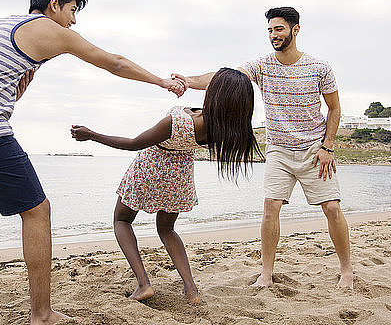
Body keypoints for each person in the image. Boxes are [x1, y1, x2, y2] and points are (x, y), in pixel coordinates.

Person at [0, 0, 185, 325]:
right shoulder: (47, 28)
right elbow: (114, 62)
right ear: (54, 5)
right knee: (37, 211)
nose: (73, 21)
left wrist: (16, 91)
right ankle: (41, 314)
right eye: (72, 10)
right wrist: (162, 81)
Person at [173, 7, 353, 289]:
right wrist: (188, 81)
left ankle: (346, 270)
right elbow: (225, 77)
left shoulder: (320, 68)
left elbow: (334, 108)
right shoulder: (263, 65)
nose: (273, 35)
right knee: (270, 207)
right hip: (279, 150)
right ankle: (266, 274)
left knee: (331, 207)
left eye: (279, 29)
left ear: (295, 30)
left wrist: (327, 146)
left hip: (314, 151)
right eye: (270, 30)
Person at [70, 68, 261, 305]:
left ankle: (143, 284)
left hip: (150, 170)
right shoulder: (224, 130)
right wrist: (185, 83)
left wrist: (92, 135)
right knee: (167, 230)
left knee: (122, 220)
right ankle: (191, 290)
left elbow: (133, 144)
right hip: (179, 178)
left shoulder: (178, 121)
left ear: (216, 94)